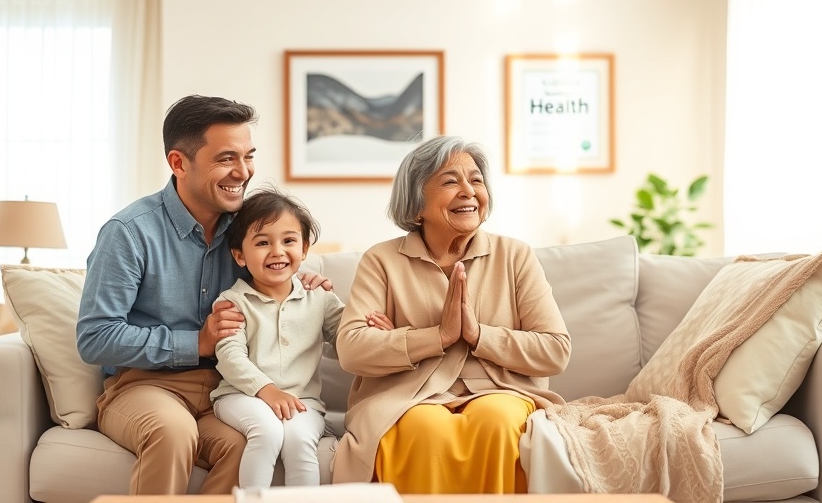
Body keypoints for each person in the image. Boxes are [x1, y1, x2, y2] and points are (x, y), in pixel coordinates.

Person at [76, 95, 329, 495]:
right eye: (227, 158)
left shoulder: (247, 230)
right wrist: (196, 342)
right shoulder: (129, 232)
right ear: (179, 163)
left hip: (223, 390)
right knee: (173, 432)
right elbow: (95, 337)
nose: (243, 172)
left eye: (248, 156)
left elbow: (280, 264)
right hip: (144, 387)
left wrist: (305, 281)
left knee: (247, 444)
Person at [331, 136, 572, 494]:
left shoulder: (515, 256)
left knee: (497, 419)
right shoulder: (381, 260)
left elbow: (555, 350)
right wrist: (437, 337)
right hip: (408, 397)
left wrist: (478, 335)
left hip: (501, 391)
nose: (469, 191)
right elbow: (352, 348)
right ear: (416, 204)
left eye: (476, 180)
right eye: (450, 181)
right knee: (422, 427)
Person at [209, 186, 394, 488]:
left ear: (305, 249)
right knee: (267, 431)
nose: (277, 251)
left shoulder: (319, 298)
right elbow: (230, 358)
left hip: (303, 401)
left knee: (299, 440)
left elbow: (347, 342)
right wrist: (267, 391)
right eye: (263, 242)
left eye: (289, 241)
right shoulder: (232, 302)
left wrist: (377, 335)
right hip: (240, 396)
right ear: (239, 255)